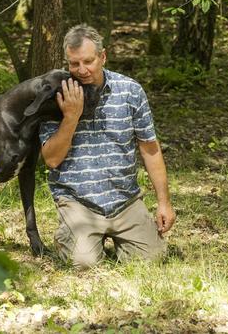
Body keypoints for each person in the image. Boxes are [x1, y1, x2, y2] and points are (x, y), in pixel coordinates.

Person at [39, 24, 176, 268]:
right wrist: (70, 117)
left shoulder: (130, 91)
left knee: (152, 260)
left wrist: (164, 202)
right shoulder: (55, 96)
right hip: (78, 202)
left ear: (103, 56)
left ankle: (119, 236)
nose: (81, 70)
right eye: (74, 64)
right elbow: (51, 160)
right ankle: (74, 238)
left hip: (125, 201)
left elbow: (150, 149)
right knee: (83, 263)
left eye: (88, 61)